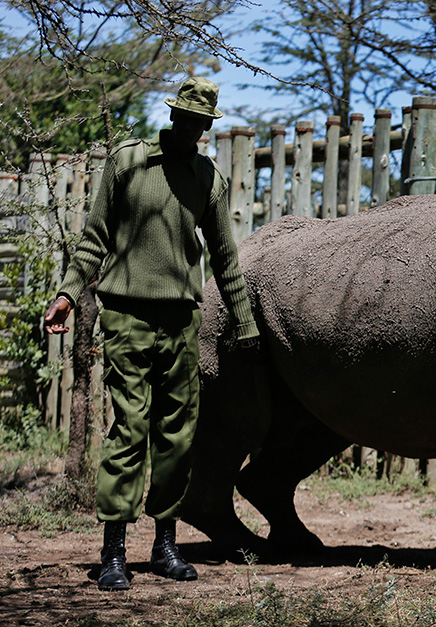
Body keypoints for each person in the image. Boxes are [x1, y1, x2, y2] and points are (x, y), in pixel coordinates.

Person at [43, 77, 259, 591]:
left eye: (198, 122)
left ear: (207, 128)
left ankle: (165, 545)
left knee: (178, 434)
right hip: (127, 315)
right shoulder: (128, 162)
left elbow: (225, 258)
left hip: (182, 320)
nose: (188, 127)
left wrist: (245, 320)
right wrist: (69, 294)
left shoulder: (208, 179)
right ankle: (113, 551)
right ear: (172, 116)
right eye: (181, 117)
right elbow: (94, 238)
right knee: (130, 426)